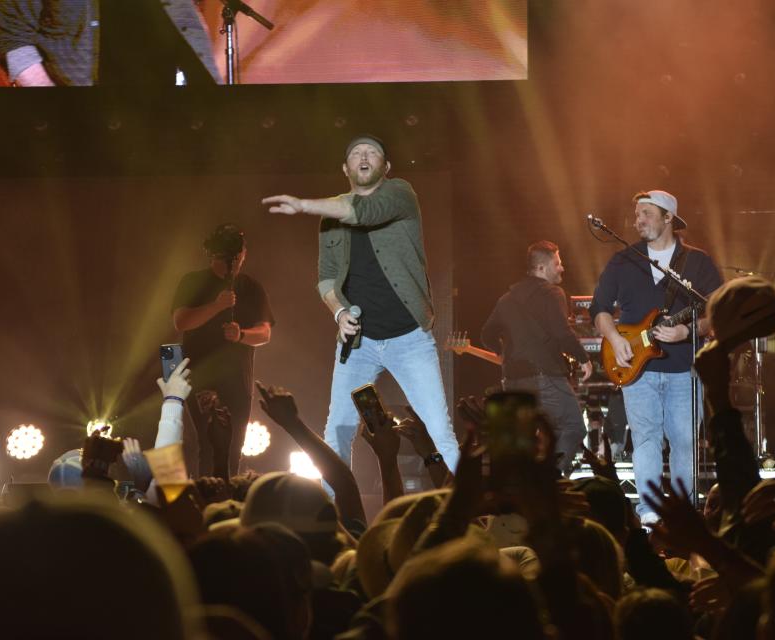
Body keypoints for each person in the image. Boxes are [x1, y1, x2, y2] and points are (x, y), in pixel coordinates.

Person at [262, 134, 460, 472]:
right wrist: (338, 312)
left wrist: (303, 205)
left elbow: (364, 213)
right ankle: (338, 518)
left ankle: (457, 516)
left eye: (372, 153)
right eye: (356, 153)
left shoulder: (401, 194)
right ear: (345, 167)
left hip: (409, 340)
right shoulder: (330, 218)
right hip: (358, 345)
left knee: (439, 431)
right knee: (336, 433)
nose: (364, 157)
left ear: (385, 166)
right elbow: (325, 277)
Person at [591, 190, 721, 522]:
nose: (638, 220)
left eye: (646, 213)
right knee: (646, 438)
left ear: (668, 218)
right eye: (637, 214)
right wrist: (614, 337)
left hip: (685, 368)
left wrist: (687, 332)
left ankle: (683, 514)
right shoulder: (624, 259)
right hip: (637, 368)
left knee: (684, 441)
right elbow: (600, 309)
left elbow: (717, 314)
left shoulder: (698, 262)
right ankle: (648, 512)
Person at [480, 240, 593, 475]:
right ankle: (551, 480)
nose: (562, 268)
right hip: (546, 377)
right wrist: (583, 358)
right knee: (572, 427)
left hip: (512, 381)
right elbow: (562, 332)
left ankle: (528, 485)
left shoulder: (506, 299)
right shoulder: (552, 293)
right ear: (542, 268)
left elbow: (486, 334)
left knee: (527, 440)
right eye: (557, 263)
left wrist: (505, 353)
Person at [172, 223, 274, 478]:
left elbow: (265, 332)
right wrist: (216, 307)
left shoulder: (251, 287)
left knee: (234, 447)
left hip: (238, 380)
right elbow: (181, 321)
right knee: (209, 443)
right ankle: (209, 501)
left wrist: (241, 335)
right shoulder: (193, 281)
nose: (236, 261)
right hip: (201, 375)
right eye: (228, 257)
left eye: (239, 255)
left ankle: (229, 501)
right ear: (214, 256)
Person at [0, 0, 221, 86]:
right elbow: (12, 40)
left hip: (161, 122)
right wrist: (56, 107)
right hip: (83, 123)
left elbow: (190, 28)